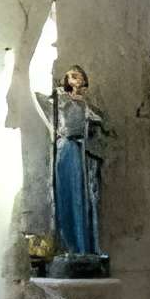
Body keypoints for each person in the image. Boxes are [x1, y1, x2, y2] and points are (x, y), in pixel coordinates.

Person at [40, 62, 108, 271]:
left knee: (82, 198)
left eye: (78, 76)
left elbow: (98, 119)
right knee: (66, 195)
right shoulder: (61, 99)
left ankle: (82, 246)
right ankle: (68, 245)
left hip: (80, 149)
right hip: (66, 148)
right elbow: (42, 99)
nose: (75, 79)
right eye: (71, 76)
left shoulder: (84, 104)